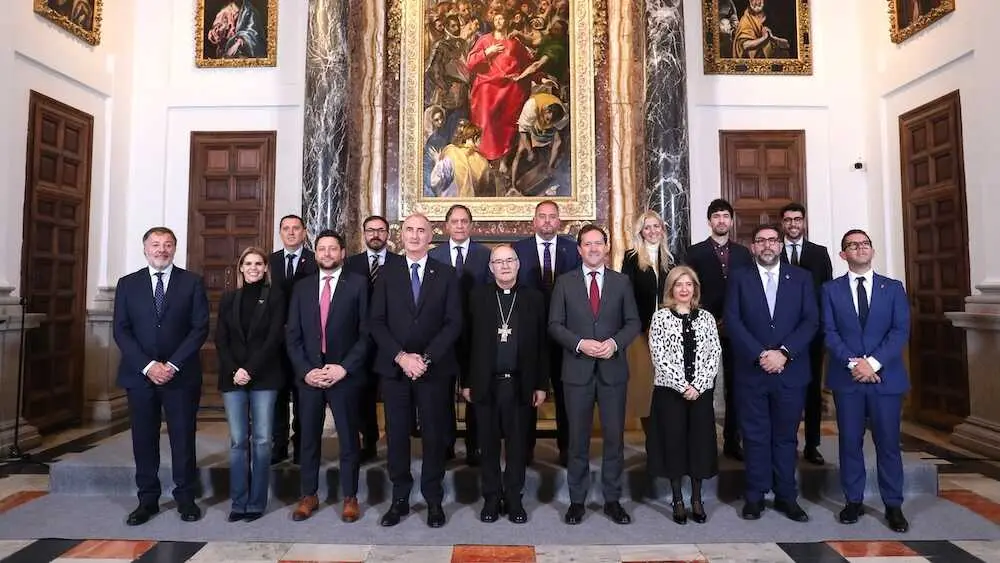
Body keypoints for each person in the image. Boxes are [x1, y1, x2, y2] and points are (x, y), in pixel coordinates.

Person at [370, 213, 462, 528]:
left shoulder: (447, 274)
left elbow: (454, 322)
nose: (414, 235)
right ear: (401, 234)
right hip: (395, 370)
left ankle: (434, 499)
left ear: (430, 236)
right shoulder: (385, 272)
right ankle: (400, 499)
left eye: (421, 230)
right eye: (409, 229)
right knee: (396, 436)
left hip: (433, 370)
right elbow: (376, 322)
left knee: (435, 436)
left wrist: (424, 358)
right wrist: (401, 357)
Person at [113, 227, 209, 526]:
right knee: (144, 439)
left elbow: (199, 328)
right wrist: (148, 366)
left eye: (167, 245)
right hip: (139, 376)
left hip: (180, 376)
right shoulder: (127, 284)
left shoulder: (192, 282)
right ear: (145, 248)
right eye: (155, 244)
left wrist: (172, 365)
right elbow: (121, 330)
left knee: (182, 438)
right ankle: (147, 499)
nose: (161, 250)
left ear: (174, 249)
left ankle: (185, 497)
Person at [724, 224, 818, 522]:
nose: (767, 245)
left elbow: (811, 321)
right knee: (754, 436)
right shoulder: (740, 278)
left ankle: (786, 497)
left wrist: (784, 353)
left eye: (772, 240)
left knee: (786, 436)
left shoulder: (802, 278)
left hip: (790, 372)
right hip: (752, 371)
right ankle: (755, 496)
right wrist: (760, 354)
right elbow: (733, 320)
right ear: (752, 247)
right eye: (761, 240)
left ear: (781, 245)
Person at [549, 225, 641, 526]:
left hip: (612, 371)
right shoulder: (564, 282)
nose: (592, 249)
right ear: (579, 249)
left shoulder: (622, 282)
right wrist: (580, 343)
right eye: (587, 244)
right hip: (576, 372)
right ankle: (577, 501)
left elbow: (632, 323)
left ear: (607, 247)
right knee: (577, 440)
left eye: (598, 244)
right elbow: (555, 325)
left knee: (614, 438)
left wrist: (614, 344)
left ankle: (613, 500)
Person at [822, 230, 911, 533]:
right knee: (850, 442)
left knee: (888, 443)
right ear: (843, 254)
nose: (860, 249)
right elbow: (829, 333)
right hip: (848, 380)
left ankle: (893, 504)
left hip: (885, 378)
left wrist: (871, 363)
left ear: (872, 251)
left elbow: (900, 331)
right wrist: (854, 363)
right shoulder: (830, 290)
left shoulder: (894, 288)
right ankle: (854, 500)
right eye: (852, 245)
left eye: (864, 244)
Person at [285, 230, 370, 523]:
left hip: (343, 375)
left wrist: (343, 367)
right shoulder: (302, 287)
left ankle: (350, 497)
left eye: (333, 249)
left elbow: (366, 333)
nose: (327, 254)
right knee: (308, 438)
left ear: (343, 253)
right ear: (315, 253)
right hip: (309, 376)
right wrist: (306, 370)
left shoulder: (358, 284)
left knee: (348, 439)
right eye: (322, 249)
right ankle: (308, 494)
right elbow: (292, 335)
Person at [462, 244, 549, 524]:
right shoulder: (477, 297)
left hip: (520, 383)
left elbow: (542, 346)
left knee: (517, 445)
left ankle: (513, 497)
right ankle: (490, 496)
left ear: (518, 264)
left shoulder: (534, 298)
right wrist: (466, 382)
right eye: (498, 262)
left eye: (509, 260)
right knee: (487, 444)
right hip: (486, 383)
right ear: (490, 268)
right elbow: (466, 343)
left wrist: (540, 384)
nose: (505, 266)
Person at [214, 247, 287, 522]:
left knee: (262, 440)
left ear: (266, 268)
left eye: (259, 263)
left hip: (264, 376)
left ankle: (257, 502)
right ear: (240, 268)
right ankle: (239, 501)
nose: (254, 267)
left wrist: (250, 369)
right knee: (237, 441)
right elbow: (221, 339)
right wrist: (236, 370)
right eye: (248, 263)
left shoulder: (276, 297)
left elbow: (273, 339)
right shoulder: (228, 299)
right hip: (233, 378)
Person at [647, 266, 721, 525]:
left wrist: (698, 385)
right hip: (670, 393)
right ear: (671, 289)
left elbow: (714, 354)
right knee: (674, 444)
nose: (684, 289)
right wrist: (682, 386)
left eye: (689, 284)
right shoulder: (660, 318)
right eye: (679, 284)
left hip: (700, 393)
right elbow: (659, 356)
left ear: (695, 289)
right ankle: (678, 499)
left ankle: (697, 499)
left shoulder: (707, 318)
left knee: (699, 445)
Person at [513, 200, 582, 466]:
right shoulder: (519, 249)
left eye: (552, 217)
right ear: (534, 221)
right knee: (528, 392)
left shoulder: (572, 250)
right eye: (542, 217)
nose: (547, 221)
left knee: (566, 394)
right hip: (529, 335)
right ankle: (525, 448)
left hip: (565, 335)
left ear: (559, 221)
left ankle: (566, 449)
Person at [684, 199, 753, 461]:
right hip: (705, 327)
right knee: (704, 385)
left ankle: (733, 440)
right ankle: (704, 442)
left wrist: (733, 318)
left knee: (737, 386)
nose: (721, 220)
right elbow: (688, 289)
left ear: (731, 221)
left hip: (738, 328)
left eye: (726, 216)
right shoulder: (695, 252)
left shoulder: (744, 254)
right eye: (716, 216)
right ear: (709, 221)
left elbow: (749, 290)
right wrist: (709, 319)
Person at [429, 204, 492, 465]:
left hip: (475, 334)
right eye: (454, 221)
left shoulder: (484, 255)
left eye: (464, 221)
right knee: (441, 392)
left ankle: (475, 445)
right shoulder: (434, 256)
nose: (459, 225)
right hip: (443, 335)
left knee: (474, 391)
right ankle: (445, 443)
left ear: (471, 225)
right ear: (446, 226)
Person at [344, 215, 405, 462]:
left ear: (388, 234)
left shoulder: (400, 263)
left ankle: (396, 442)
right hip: (361, 339)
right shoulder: (350, 264)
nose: (376, 235)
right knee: (364, 394)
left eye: (381, 230)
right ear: (364, 233)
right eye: (371, 230)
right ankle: (368, 442)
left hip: (392, 338)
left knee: (394, 394)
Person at [778, 203, 833, 465]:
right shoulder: (773, 251)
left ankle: (812, 444)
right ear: (782, 224)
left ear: (804, 222)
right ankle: (785, 442)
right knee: (784, 392)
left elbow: (827, 293)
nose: (793, 224)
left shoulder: (819, 254)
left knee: (812, 391)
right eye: (788, 220)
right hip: (780, 337)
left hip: (812, 336)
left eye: (797, 219)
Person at [268, 214, 317, 465]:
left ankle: (301, 445)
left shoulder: (315, 261)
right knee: (278, 394)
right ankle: (279, 444)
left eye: (295, 228)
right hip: (275, 341)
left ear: (304, 232)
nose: (290, 233)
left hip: (304, 340)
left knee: (302, 395)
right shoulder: (269, 262)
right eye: (285, 228)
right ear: (280, 233)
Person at [621, 210, 674, 426]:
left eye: (656, 226)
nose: (652, 231)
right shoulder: (631, 258)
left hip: (670, 332)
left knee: (667, 386)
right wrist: (644, 326)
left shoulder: (672, 259)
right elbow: (627, 296)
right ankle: (650, 439)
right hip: (641, 333)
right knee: (645, 387)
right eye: (647, 227)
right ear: (641, 232)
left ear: (662, 229)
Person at [466, 9, 535, 163]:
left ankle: (503, 155)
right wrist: (486, 52)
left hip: (508, 87)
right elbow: (470, 63)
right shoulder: (485, 40)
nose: (498, 21)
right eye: (496, 18)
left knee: (509, 113)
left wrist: (537, 77)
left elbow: (526, 63)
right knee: (486, 112)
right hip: (487, 85)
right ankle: (484, 153)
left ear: (507, 21)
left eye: (501, 18)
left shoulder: (514, 42)